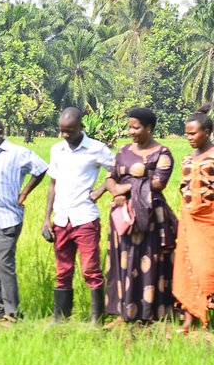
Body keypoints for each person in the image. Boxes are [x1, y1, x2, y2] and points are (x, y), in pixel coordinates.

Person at [102, 107, 177, 324]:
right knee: (123, 259)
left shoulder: (162, 153)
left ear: (149, 128)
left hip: (150, 218)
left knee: (149, 260)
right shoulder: (123, 150)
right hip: (123, 216)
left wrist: (124, 189)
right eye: (130, 127)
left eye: (136, 127)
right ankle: (125, 313)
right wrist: (115, 190)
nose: (131, 132)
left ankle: (148, 314)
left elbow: (159, 183)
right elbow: (110, 176)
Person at [41, 106, 115, 325]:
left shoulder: (96, 148)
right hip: (61, 218)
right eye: (62, 131)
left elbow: (118, 169)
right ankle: (61, 318)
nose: (65, 135)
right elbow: (52, 184)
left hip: (85, 218)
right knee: (62, 269)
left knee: (91, 269)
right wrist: (47, 218)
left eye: (70, 131)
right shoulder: (57, 150)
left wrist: (101, 190)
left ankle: (97, 320)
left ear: (81, 127)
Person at [0, 118, 47, 321]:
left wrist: (24, 193)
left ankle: (12, 313)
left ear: (0, 132)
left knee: (3, 266)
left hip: (6, 221)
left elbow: (41, 168)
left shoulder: (17, 153)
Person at [174, 105, 214, 330]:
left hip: (210, 221)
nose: (189, 137)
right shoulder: (188, 159)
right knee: (187, 266)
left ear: (207, 132)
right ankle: (189, 321)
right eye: (187, 133)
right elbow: (184, 188)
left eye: (193, 133)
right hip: (190, 220)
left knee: (209, 268)